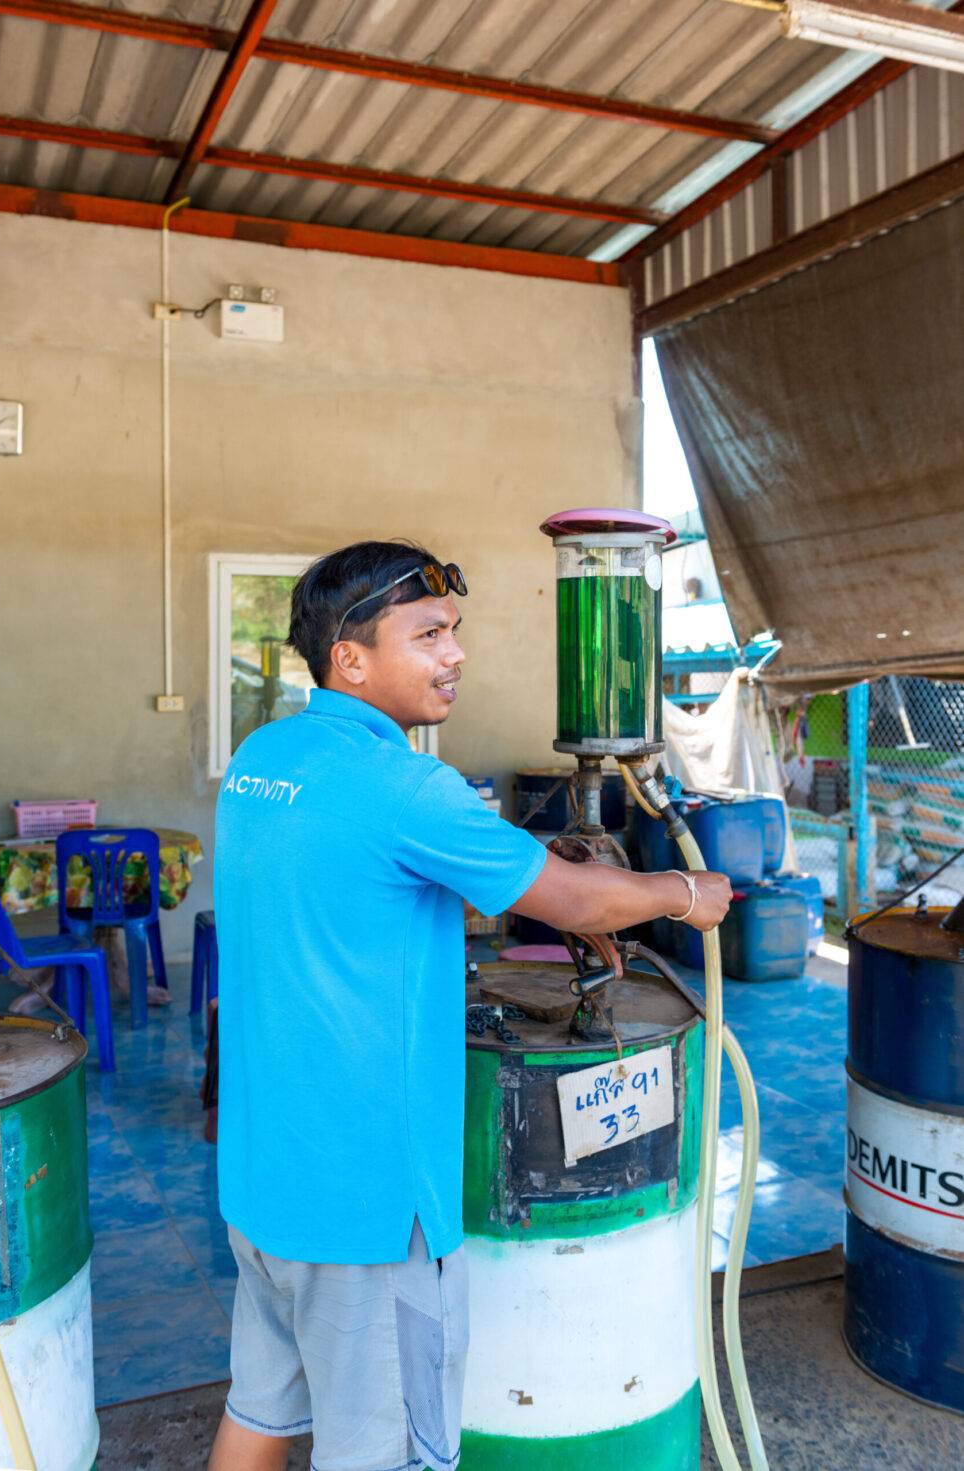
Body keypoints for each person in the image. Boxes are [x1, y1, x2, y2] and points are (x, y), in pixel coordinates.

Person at [208, 540, 731, 1471]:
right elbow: (572, 899)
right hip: (366, 1204)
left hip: (264, 1177)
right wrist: (683, 896)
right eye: (428, 635)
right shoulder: (407, 788)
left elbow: (344, 883)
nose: (455, 654)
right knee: (384, 1453)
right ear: (351, 657)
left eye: (455, 632)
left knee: (260, 1411)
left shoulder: (263, 756)